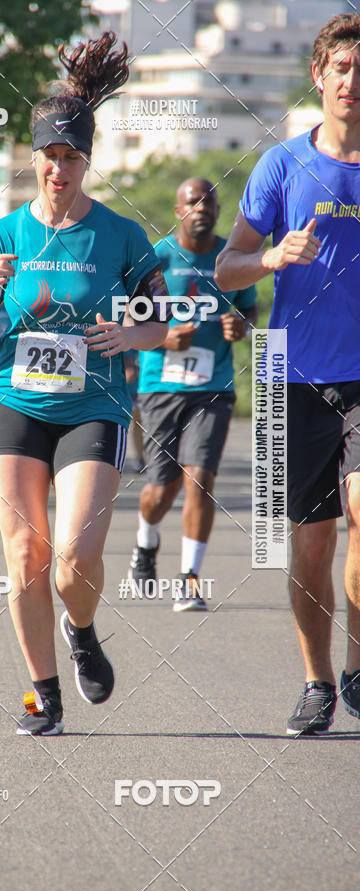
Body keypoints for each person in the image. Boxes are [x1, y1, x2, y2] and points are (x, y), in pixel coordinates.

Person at [0, 32, 169, 736]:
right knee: (25, 554)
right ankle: (44, 693)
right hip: (12, 402)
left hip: (94, 405)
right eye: (50, 157)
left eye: (72, 157)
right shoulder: (1, 235)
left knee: (74, 555)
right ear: (35, 159)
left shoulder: (123, 236)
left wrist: (130, 335)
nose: (59, 169)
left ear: (86, 162)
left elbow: (162, 321)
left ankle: (83, 629)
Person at [215, 12, 360, 734]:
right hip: (295, 374)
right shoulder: (282, 165)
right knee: (313, 541)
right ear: (319, 75)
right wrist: (271, 259)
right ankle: (318, 680)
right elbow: (226, 265)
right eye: (341, 69)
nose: (353, 83)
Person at [128, 179, 257, 611]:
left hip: (212, 387)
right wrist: (164, 340)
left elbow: (249, 307)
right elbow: (128, 318)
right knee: (160, 491)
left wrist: (241, 324)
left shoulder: (229, 258)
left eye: (209, 201)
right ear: (178, 209)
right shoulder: (158, 256)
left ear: (218, 209)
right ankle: (146, 543)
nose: (201, 208)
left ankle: (189, 578)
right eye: (192, 202)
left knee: (199, 480)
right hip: (161, 386)